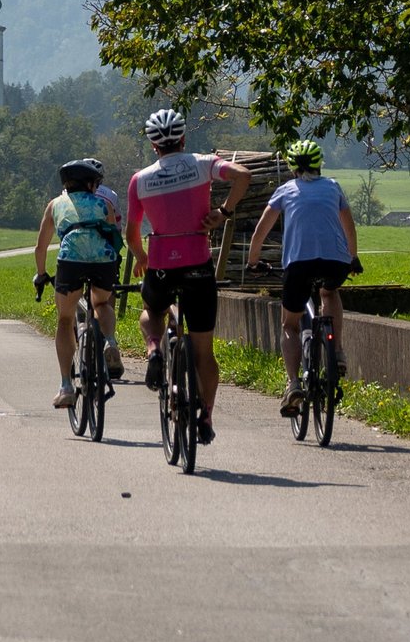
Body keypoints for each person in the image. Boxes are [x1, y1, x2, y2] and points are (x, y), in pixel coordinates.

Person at [126, 108, 249, 447]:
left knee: (151, 313)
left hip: (162, 265)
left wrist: (141, 257)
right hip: (198, 264)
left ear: (154, 146)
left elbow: (131, 232)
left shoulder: (141, 180)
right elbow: (243, 175)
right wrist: (222, 213)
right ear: (182, 138)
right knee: (203, 351)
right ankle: (206, 416)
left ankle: (154, 350)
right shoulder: (203, 163)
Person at [246, 138, 358, 411]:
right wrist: (353, 257)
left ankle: (294, 383)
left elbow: (262, 228)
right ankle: (338, 352)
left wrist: (253, 260)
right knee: (329, 292)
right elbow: (349, 225)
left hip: (298, 265)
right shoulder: (333, 187)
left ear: (292, 166)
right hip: (335, 262)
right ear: (319, 164)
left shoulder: (285, 190)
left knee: (290, 325)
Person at [34, 158, 125, 409]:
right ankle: (110, 342)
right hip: (102, 262)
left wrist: (41, 274)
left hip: (71, 262)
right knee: (103, 302)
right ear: (90, 184)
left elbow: (40, 247)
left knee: (65, 319)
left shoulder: (54, 205)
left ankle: (65, 386)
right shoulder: (103, 203)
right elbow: (113, 235)